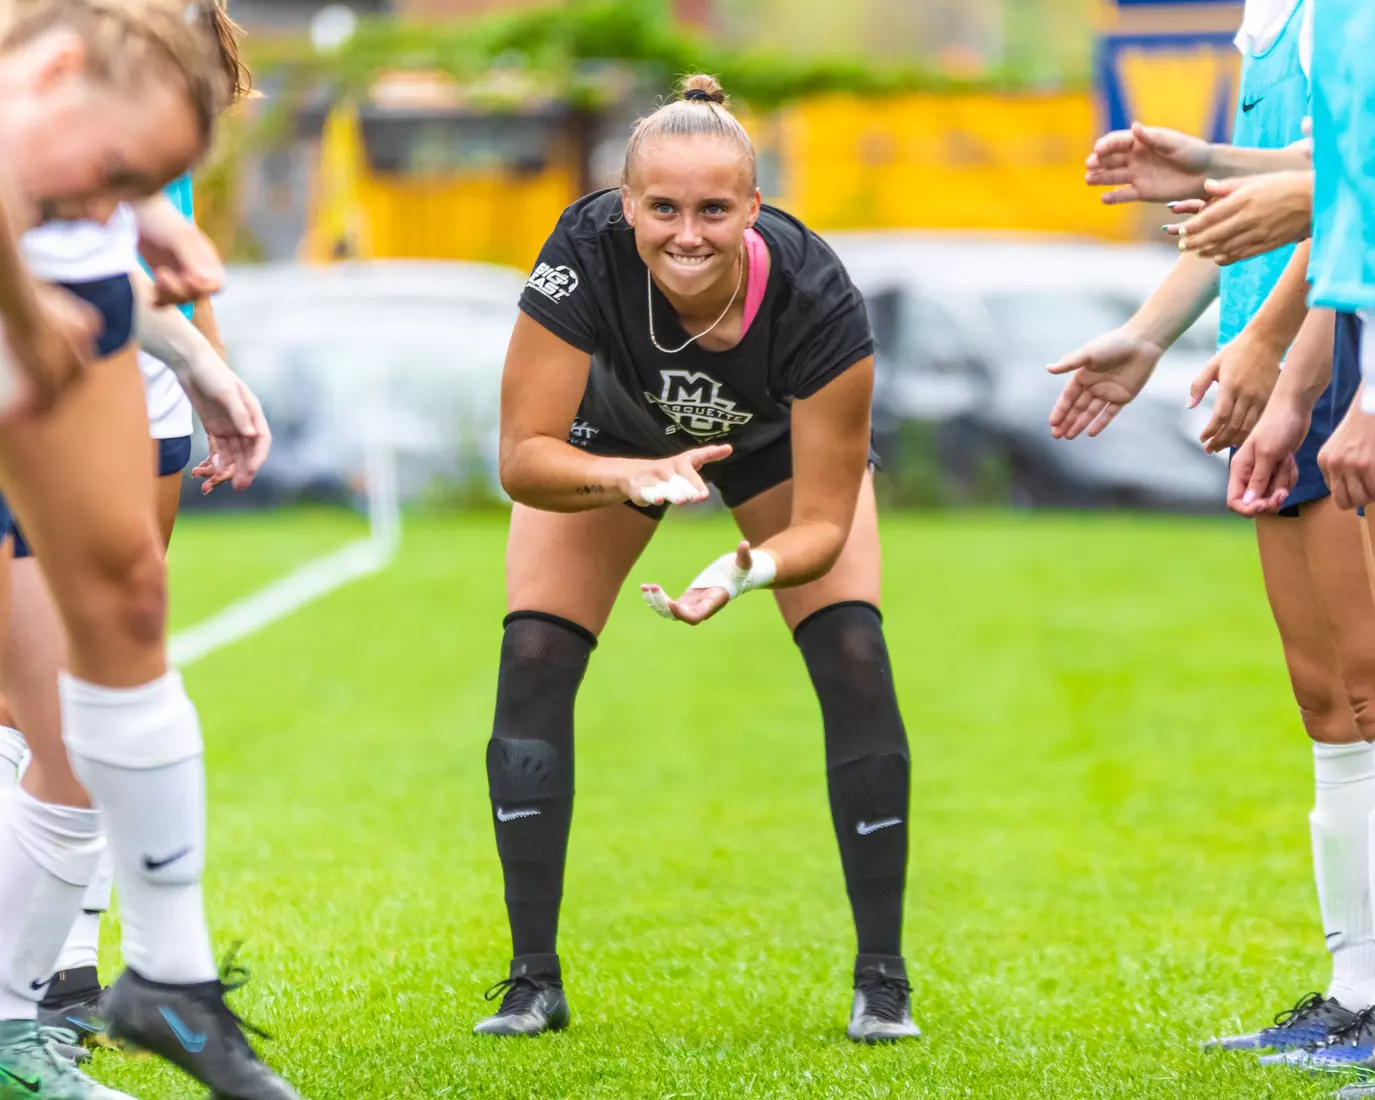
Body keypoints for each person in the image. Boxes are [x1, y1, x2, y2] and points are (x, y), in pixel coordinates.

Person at [473, 74, 918, 1045]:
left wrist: (741, 569)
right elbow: (523, 460)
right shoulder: (581, 252)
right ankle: (530, 980)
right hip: (616, 440)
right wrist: (630, 475)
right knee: (534, 655)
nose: (687, 233)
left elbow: (823, 526)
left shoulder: (817, 296)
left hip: (769, 442)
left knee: (853, 652)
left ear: (753, 207)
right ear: (624, 206)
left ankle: (882, 980)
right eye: (662, 209)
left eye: (714, 209)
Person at [1052, 0, 1375, 1061]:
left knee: (1370, 688)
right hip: (1284, 358)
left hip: (1333, 348)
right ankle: (1355, 991)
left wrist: (1280, 354)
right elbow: (1274, 196)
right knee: (1326, 700)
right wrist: (1150, 334)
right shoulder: (1266, 20)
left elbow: (1346, 203)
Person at [0, 3, 297, 1098]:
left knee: (108, 644)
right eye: (115, 174)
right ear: (61, 69)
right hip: (29, 301)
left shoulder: (89, 114)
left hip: (65, 298)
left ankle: (152, 984)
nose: (117, 200)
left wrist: (190, 343)